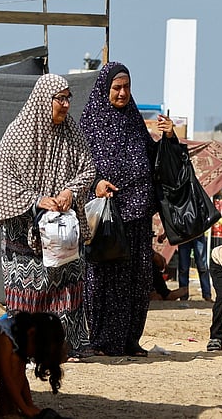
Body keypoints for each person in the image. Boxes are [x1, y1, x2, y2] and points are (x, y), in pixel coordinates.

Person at [0, 74, 96, 360]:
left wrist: (70, 191)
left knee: (65, 287)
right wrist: (36, 200)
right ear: (45, 101)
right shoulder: (19, 133)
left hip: (61, 233)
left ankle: (63, 345)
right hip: (25, 233)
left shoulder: (72, 132)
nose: (67, 104)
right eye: (61, 98)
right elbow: (2, 178)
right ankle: (26, 346)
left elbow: (88, 169)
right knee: (28, 290)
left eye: (69, 97)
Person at [78, 62, 175, 357]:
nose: (122, 93)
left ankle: (129, 339)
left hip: (138, 214)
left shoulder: (133, 120)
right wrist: (95, 183)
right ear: (104, 89)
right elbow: (78, 163)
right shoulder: (89, 122)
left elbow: (154, 157)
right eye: (116, 88)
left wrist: (168, 138)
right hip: (108, 216)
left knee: (137, 277)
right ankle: (102, 340)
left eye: (126, 87)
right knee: (104, 277)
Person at [0, 311, 68, 418]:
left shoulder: (18, 339)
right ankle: (7, 413)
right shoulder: (5, 338)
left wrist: (30, 405)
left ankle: (10, 412)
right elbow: (7, 376)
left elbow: (21, 376)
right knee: (15, 360)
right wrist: (24, 408)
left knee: (18, 360)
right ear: (31, 333)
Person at [175, 234, 212, 302]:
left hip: (197, 233)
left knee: (202, 267)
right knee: (184, 268)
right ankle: (183, 295)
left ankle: (207, 295)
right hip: (185, 234)